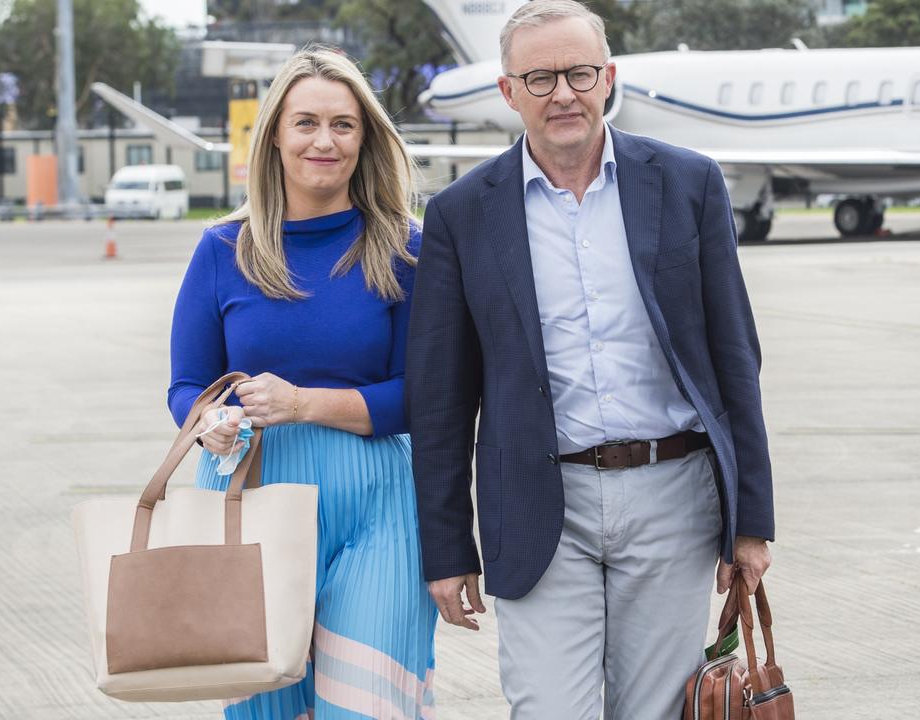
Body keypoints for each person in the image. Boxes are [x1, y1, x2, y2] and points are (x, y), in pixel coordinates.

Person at [405, 2, 775, 717]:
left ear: (608, 79)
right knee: (546, 708)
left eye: (578, 73)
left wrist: (750, 520)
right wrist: (448, 546)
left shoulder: (688, 183)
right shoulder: (459, 215)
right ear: (508, 92)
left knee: (655, 711)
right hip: (539, 504)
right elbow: (442, 399)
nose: (563, 94)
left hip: (673, 495)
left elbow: (735, 360)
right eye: (539, 78)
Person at [167, 48, 437, 719]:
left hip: (376, 510)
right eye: (307, 123)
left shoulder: (405, 247)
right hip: (248, 495)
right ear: (276, 137)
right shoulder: (222, 250)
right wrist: (208, 425)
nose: (325, 140)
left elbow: (426, 396)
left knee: (366, 707)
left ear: (365, 137)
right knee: (263, 710)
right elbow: (187, 385)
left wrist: (303, 403)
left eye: (344, 125)